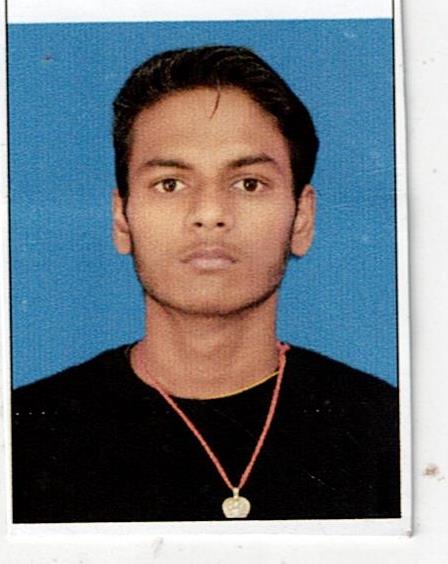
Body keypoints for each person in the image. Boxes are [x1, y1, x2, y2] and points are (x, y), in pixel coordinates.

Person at [12, 46, 400, 523]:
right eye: (170, 184)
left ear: (302, 218)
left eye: (249, 183)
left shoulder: (393, 430)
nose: (210, 214)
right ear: (122, 218)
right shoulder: (21, 434)